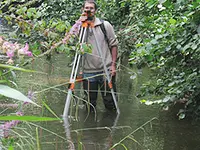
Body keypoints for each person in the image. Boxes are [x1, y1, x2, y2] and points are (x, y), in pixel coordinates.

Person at [76, 0, 118, 112]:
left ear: (95, 10)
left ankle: (110, 126)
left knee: (110, 103)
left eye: (91, 8)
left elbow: (114, 46)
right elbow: (76, 48)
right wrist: (80, 24)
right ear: (82, 9)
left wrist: (113, 66)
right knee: (89, 105)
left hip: (106, 70)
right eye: (86, 8)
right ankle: (89, 128)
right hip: (88, 72)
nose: (88, 10)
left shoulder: (105, 25)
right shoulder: (79, 26)